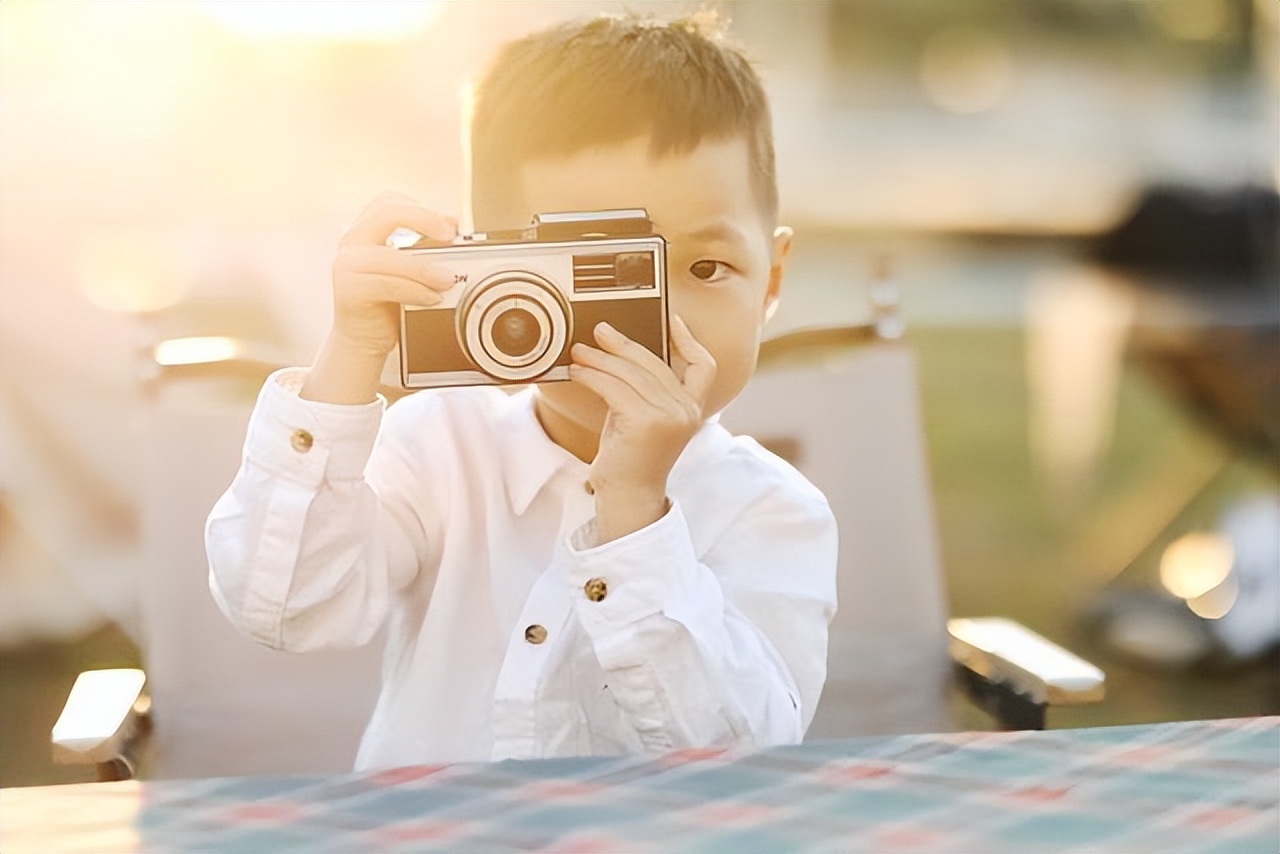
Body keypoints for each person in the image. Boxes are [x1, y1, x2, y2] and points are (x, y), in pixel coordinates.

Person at [206, 10, 837, 770]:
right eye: (596, 274)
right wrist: (350, 356)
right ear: (496, 277)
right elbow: (286, 606)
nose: (653, 323)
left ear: (770, 279)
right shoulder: (439, 447)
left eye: (705, 268)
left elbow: (746, 759)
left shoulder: (774, 514)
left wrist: (634, 512)